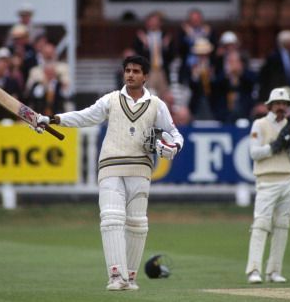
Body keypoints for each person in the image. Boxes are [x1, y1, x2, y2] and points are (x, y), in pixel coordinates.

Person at [34, 55, 183, 291]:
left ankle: (130, 278)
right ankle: (116, 277)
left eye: (136, 71)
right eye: (127, 70)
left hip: (141, 168)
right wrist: (51, 119)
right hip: (111, 165)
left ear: (145, 76)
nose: (130, 74)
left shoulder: (157, 104)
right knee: (111, 218)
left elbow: (175, 135)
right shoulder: (111, 100)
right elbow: (84, 116)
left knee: (137, 224)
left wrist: (170, 148)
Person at [246, 87, 290, 285]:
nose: (281, 107)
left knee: (282, 225)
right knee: (261, 224)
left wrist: (289, 144)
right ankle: (254, 270)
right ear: (270, 106)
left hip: (288, 179)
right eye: (277, 104)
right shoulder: (259, 124)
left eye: (284, 104)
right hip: (267, 180)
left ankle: (274, 271)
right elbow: (254, 153)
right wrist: (274, 146)